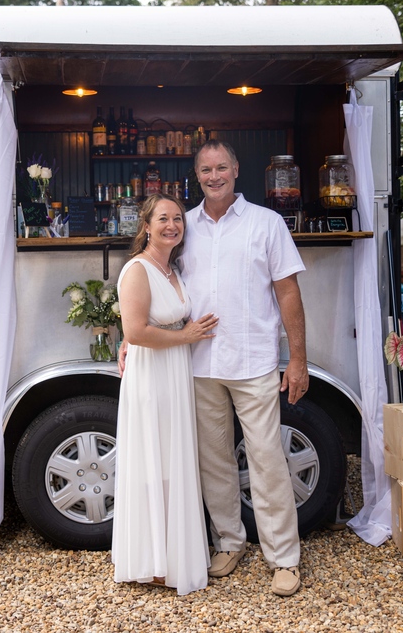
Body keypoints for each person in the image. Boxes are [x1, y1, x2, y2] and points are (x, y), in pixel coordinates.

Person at [181, 139, 308, 597]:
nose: (213, 176)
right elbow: (155, 280)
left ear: (236, 169)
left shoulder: (266, 223)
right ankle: (230, 542)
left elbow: (288, 293)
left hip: (253, 360)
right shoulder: (183, 226)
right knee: (213, 461)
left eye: (221, 167)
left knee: (267, 461)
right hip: (199, 363)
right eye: (205, 170)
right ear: (197, 175)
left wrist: (297, 359)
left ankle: (284, 559)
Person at [112, 194, 219, 595]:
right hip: (152, 378)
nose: (172, 225)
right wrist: (185, 336)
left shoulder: (172, 270)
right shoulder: (137, 270)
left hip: (175, 374)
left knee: (172, 463)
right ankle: (151, 559)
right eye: (163, 219)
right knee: (151, 463)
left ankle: (172, 556)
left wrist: (184, 334)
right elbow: (136, 332)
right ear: (147, 226)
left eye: (178, 219)